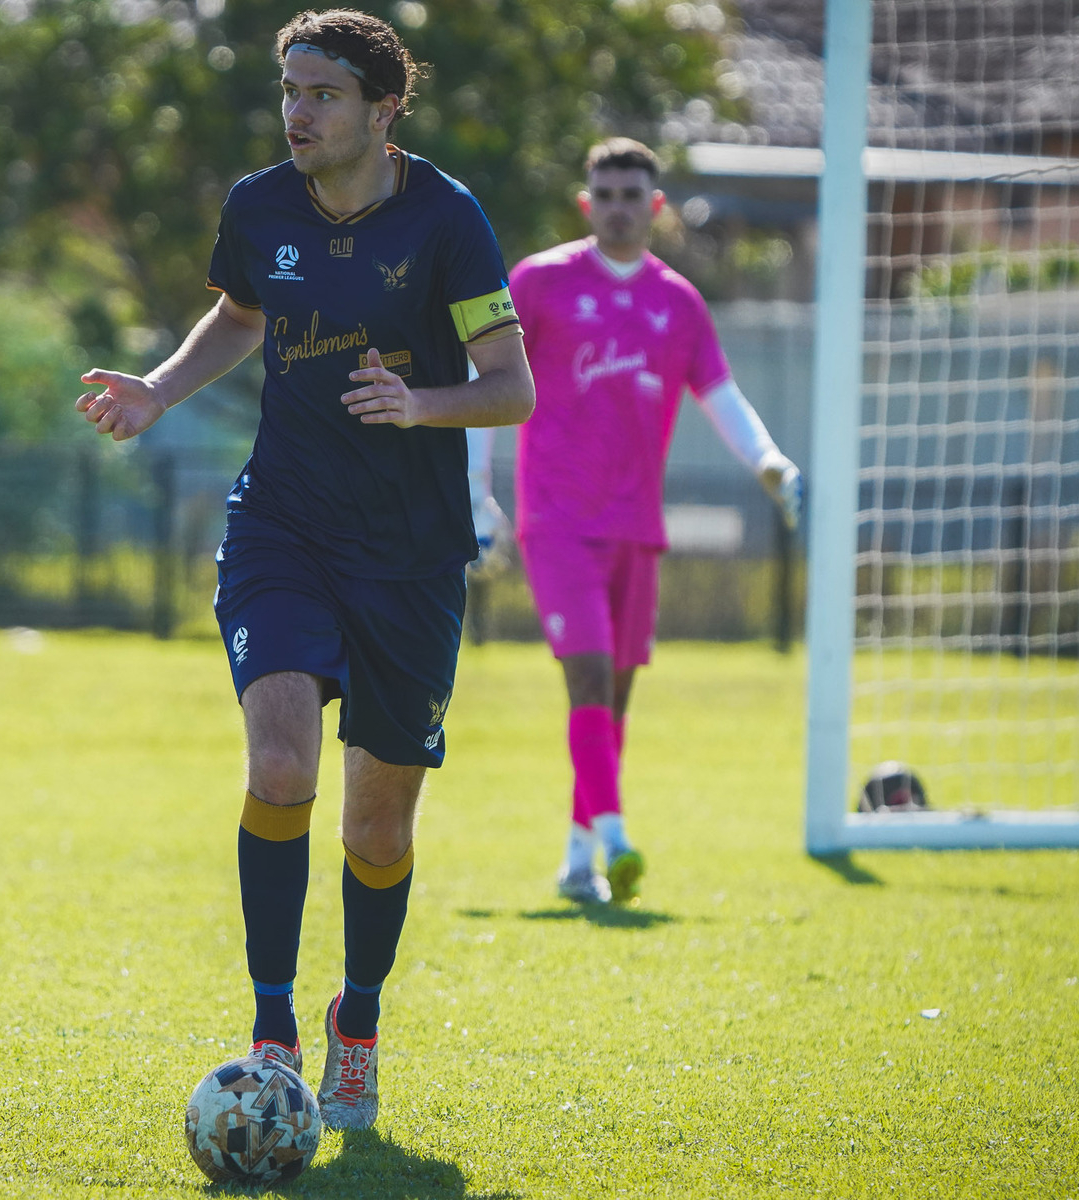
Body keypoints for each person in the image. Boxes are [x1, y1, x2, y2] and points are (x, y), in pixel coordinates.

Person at [74, 9, 533, 1130]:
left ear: (382, 110)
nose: (298, 111)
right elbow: (237, 315)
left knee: (376, 830)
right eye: (290, 89)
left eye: (323, 93)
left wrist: (421, 405)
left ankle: (356, 1022)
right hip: (280, 523)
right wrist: (154, 388)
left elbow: (511, 385)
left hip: (410, 557)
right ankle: (270, 1025)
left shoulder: (445, 218)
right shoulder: (258, 204)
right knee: (280, 765)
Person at [479, 137, 801, 905]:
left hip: (636, 525)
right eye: (605, 193)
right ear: (586, 203)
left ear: (654, 208)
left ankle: (575, 856)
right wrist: (473, 496)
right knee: (586, 675)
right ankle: (616, 836)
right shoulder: (539, 283)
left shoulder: (677, 302)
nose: (618, 206)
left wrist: (770, 462)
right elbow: (482, 382)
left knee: (614, 700)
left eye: (633, 195)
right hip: (555, 520)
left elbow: (719, 394)